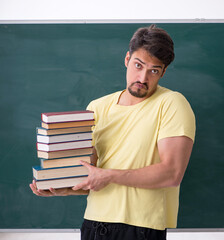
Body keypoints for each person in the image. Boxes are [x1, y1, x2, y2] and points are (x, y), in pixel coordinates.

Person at [30, 24, 196, 240]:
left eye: (154, 70)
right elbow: (94, 177)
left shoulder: (172, 103)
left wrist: (108, 176)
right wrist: (66, 189)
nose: (143, 78)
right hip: (94, 224)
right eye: (138, 65)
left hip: (140, 228)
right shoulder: (96, 107)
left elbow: (172, 173)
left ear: (163, 72)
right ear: (127, 59)